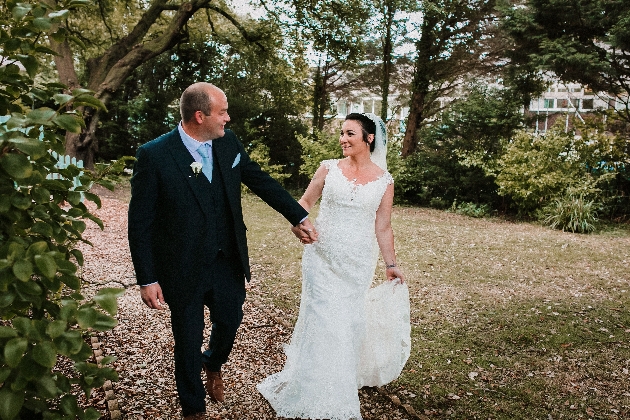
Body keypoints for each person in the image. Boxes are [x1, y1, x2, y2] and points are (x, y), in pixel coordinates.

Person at [127, 82, 317, 420]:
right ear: (200, 116)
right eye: (223, 112)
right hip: (181, 265)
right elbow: (139, 223)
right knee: (186, 338)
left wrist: (297, 214)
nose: (228, 118)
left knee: (230, 321)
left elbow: (260, 180)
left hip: (227, 260)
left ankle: (213, 361)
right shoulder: (154, 154)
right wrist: (147, 278)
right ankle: (193, 407)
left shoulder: (227, 143)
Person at [257, 113, 409, 419]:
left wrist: (391, 264)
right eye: (341, 133)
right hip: (321, 256)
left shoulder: (384, 180)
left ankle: (339, 378)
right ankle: (315, 388)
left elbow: (383, 226)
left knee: (347, 321)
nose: (342, 139)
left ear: (369, 138)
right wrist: (296, 223)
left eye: (350, 133)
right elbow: (304, 203)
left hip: (357, 262)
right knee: (324, 318)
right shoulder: (328, 168)